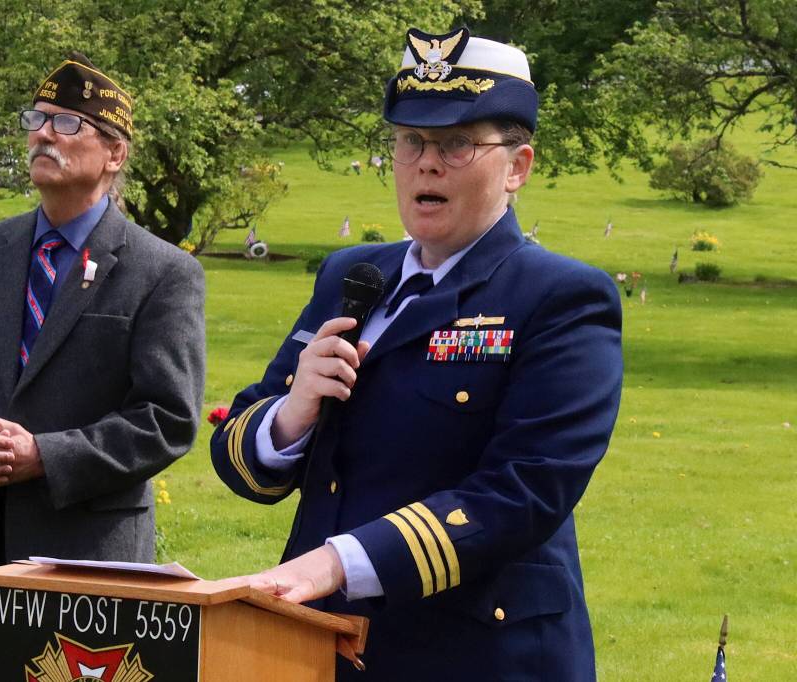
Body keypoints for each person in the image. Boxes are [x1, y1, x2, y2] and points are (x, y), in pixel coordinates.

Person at [210, 27, 621, 680]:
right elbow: (243, 460)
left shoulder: (561, 297)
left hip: (479, 656)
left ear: (517, 167)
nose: (427, 164)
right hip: (322, 644)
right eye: (411, 142)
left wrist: (337, 562)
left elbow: (526, 490)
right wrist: (292, 414)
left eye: (457, 144)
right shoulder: (351, 275)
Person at [0, 54, 205, 680]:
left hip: (88, 569)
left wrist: (44, 456)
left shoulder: (163, 273)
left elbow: (167, 418)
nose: (44, 134)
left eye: (68, 124)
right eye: (37, 119)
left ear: (115, 153)